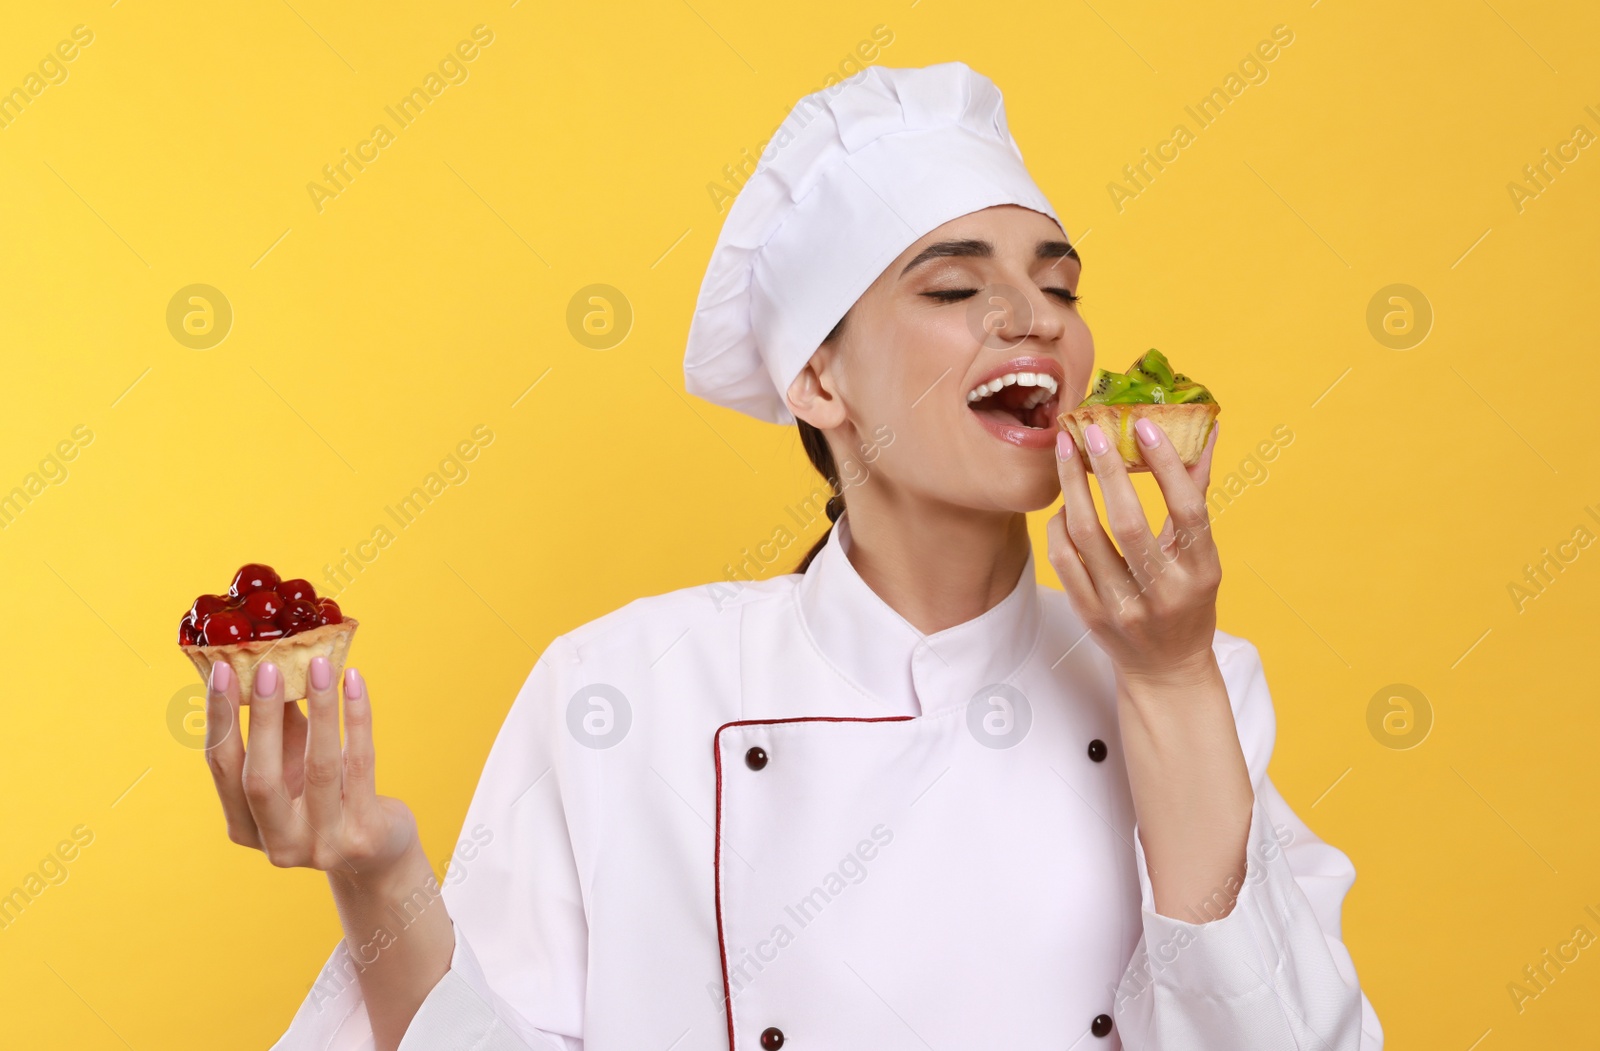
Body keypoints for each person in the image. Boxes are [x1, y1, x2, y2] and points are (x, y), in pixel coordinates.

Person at [204, 61, 1383, 1049]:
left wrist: (1167, 679)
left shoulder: (1197, 680)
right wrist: (373, 866)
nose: (1035, 317)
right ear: (818, 379)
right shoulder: (627, 684)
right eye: (958, 284)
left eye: (1058, 284)